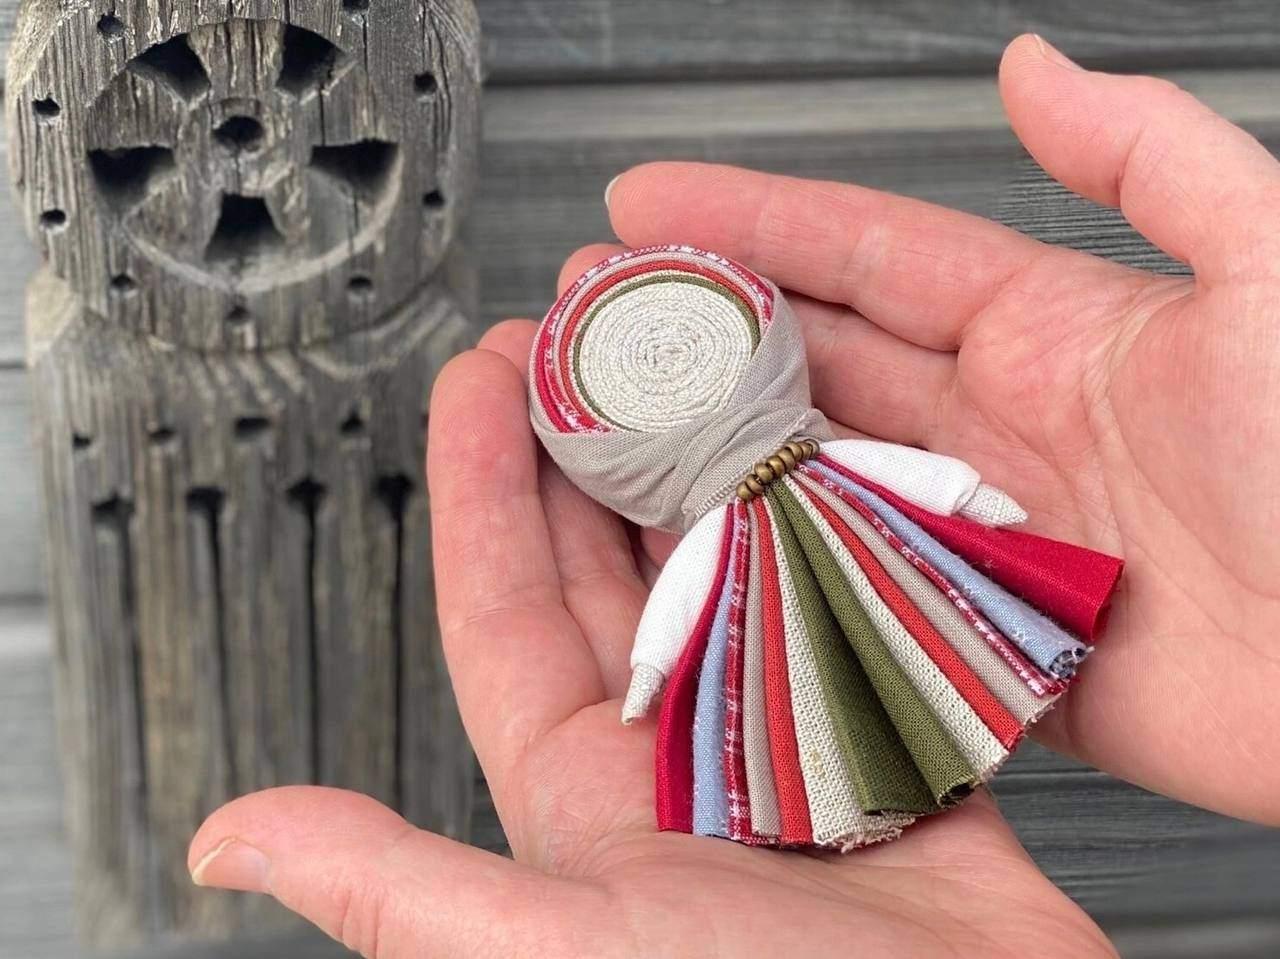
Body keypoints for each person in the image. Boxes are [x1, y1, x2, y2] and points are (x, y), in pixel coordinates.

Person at [186, 35, 1280, 957]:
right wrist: (653, 666)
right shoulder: (730, 517)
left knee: (906, 650)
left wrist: (969, 500)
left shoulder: (790, 468)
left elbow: (887, 488)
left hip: (843, 514)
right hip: (812, 524)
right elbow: (714, 581)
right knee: (815, 690)